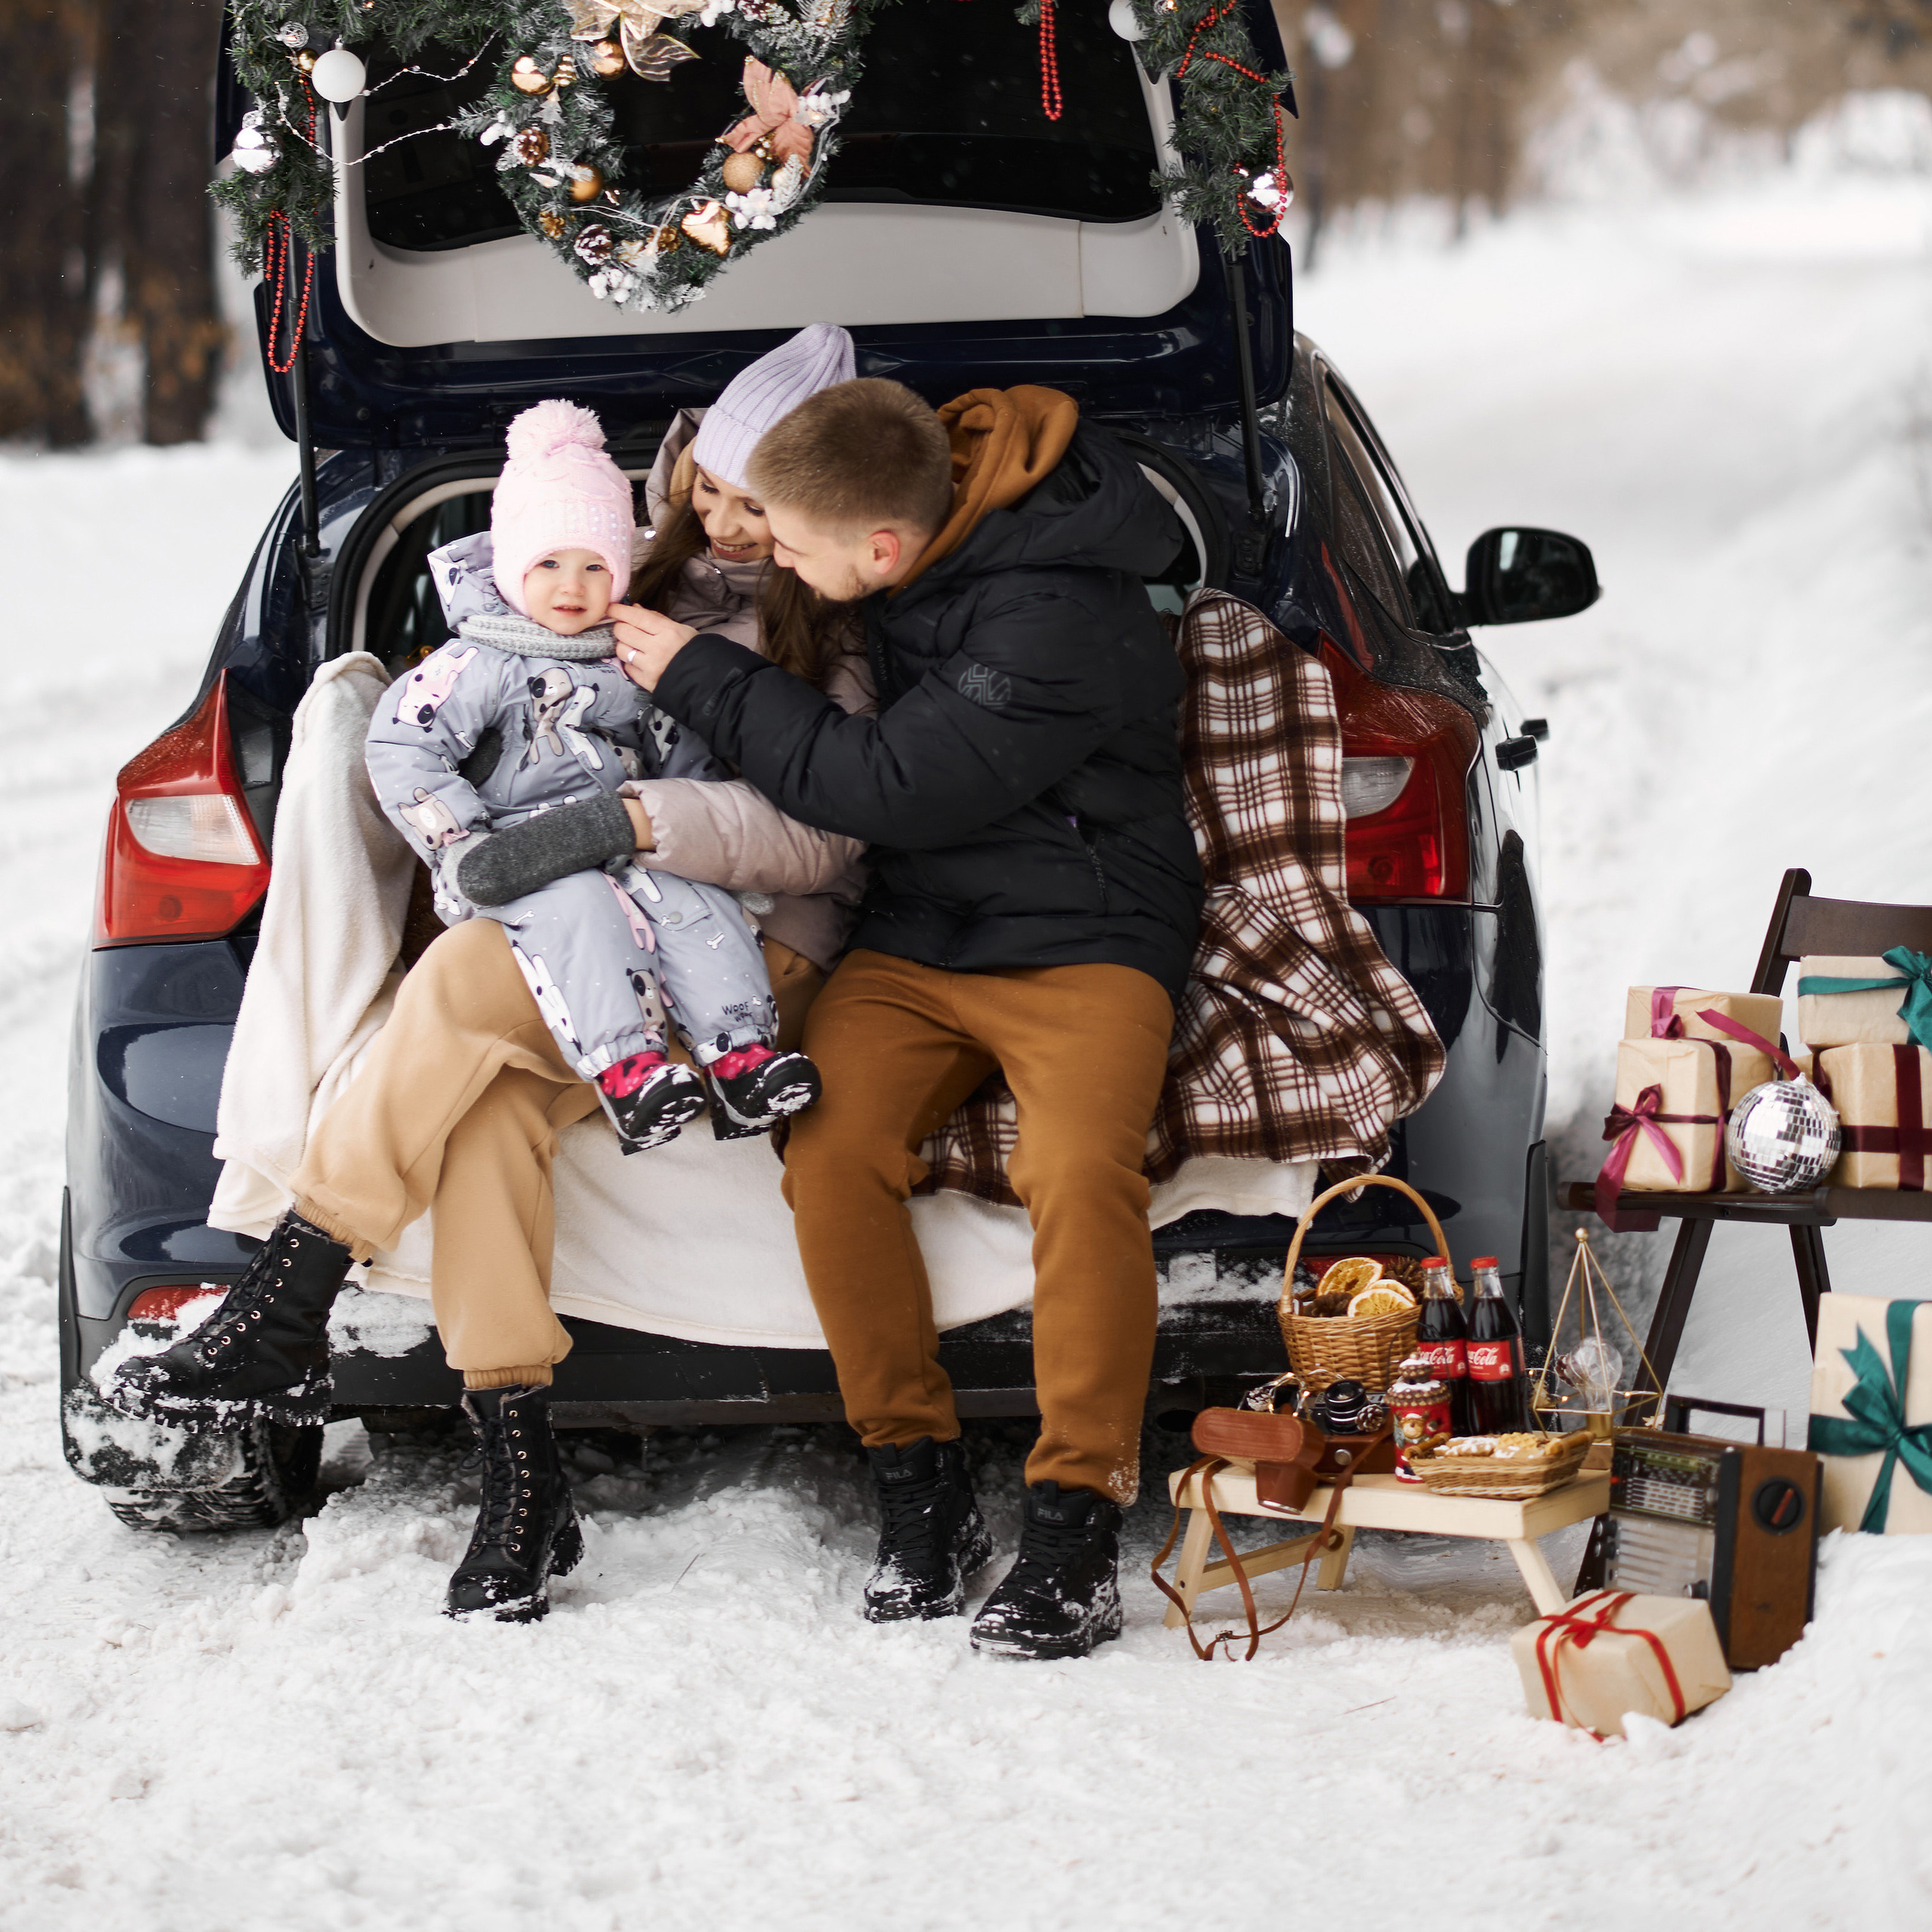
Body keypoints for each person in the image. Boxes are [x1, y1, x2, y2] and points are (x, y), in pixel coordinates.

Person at [116, 324, 870, 1625]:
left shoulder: (832, 629)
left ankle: (296, 1283)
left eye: (767, 504)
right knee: (484, 1111)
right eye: (713, 493)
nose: (735, 525)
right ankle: (522, 1469)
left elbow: (828, 829)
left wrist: (631, 820)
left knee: (467, 978)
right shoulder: (615, 584)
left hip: (747, 949)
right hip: (589, 935)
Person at [612, 375, 1203, 1663]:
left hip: (1086, 934)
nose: (778, 558)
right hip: (927, 933)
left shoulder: (1055, 614)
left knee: (1077, 1169)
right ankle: (914, 1480)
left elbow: (887, 782)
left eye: (799, 545)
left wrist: (706, 673)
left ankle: (1073, 1516)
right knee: (829, 1147)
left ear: (881, 548)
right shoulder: (914, 540)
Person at [365, 396, 821, 1153]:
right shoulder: (479, 660)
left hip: (626, 835)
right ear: (512, 564)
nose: (569, 585)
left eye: (593, 566)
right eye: (547, 563)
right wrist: (462, 846)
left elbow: (678, 746)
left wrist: (697, 822)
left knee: (695, 905)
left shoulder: (632, 653)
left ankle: (742, 1059)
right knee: (579, 918)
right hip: (524, 850)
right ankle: (627, 1072)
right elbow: (403, 749)